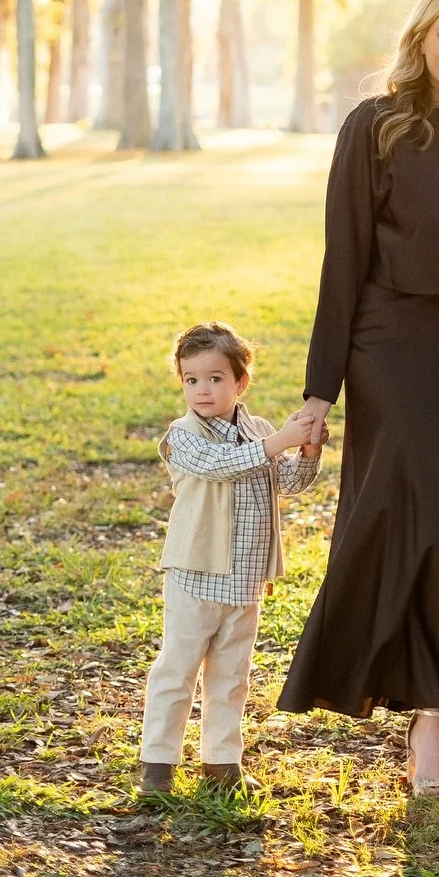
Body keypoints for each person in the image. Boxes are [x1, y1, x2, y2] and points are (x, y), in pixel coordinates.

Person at [278, 0, 439, 800]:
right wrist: (320, 393)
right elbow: (340, 261)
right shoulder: (374, 126)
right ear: (420, 40)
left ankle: (427, 714)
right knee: (416, 526)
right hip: (393, 350)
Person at [139, 321, 324, 796]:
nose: (202, 389)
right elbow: (219, 467)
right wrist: (277, 443)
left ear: (240, 382)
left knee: (230, 675)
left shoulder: (259, 430)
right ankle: (157, 764)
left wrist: (306, 450)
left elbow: (286, 482)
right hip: (195, 574)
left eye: (215, 378)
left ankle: (222, 762)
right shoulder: (183, 436)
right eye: (191, 379)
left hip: (244, 579)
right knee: (177, 669)